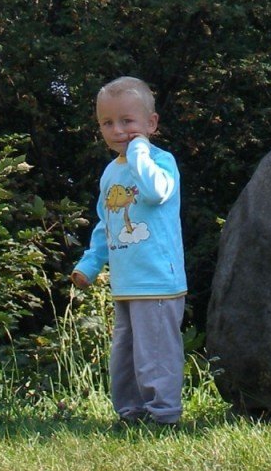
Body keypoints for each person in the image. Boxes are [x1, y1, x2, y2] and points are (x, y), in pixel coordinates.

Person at [71, 75, 186, 426]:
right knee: (125, 355)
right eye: (107, 123)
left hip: (158, 282)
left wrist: (139, 151)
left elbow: (154, 193)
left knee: (155, 353)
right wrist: (90, 265)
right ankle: (132, 413)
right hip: (125, 283)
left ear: (151, 124)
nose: (118, 130)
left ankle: (164, 414)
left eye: (127, 121)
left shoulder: (160, 162)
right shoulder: (111, 173)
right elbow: (106, 224)